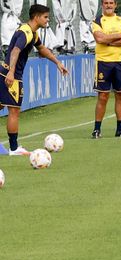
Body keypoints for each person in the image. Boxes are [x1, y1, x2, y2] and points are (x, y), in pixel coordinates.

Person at [0, 4, 68, 156]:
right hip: (11, 76)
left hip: (4, 72)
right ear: (36, 17)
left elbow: (42, 49)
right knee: (14, 111)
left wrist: (57, 62)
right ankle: (14, 148)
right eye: (45, 17)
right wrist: (11, 72)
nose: (47, 20)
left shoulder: (32, 32)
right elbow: (15, 51)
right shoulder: (26, 33)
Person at [91, 0, 121, 138]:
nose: (109, 5)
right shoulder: (97, 21)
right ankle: (97, 130)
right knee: (103, 96)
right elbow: (99, 39)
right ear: (102, 5)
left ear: (116, 5)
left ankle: (120, 129)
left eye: (111, 3)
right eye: (106, 3)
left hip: (120, 62)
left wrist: (108, 40)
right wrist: (118, 35)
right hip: (103, 62)